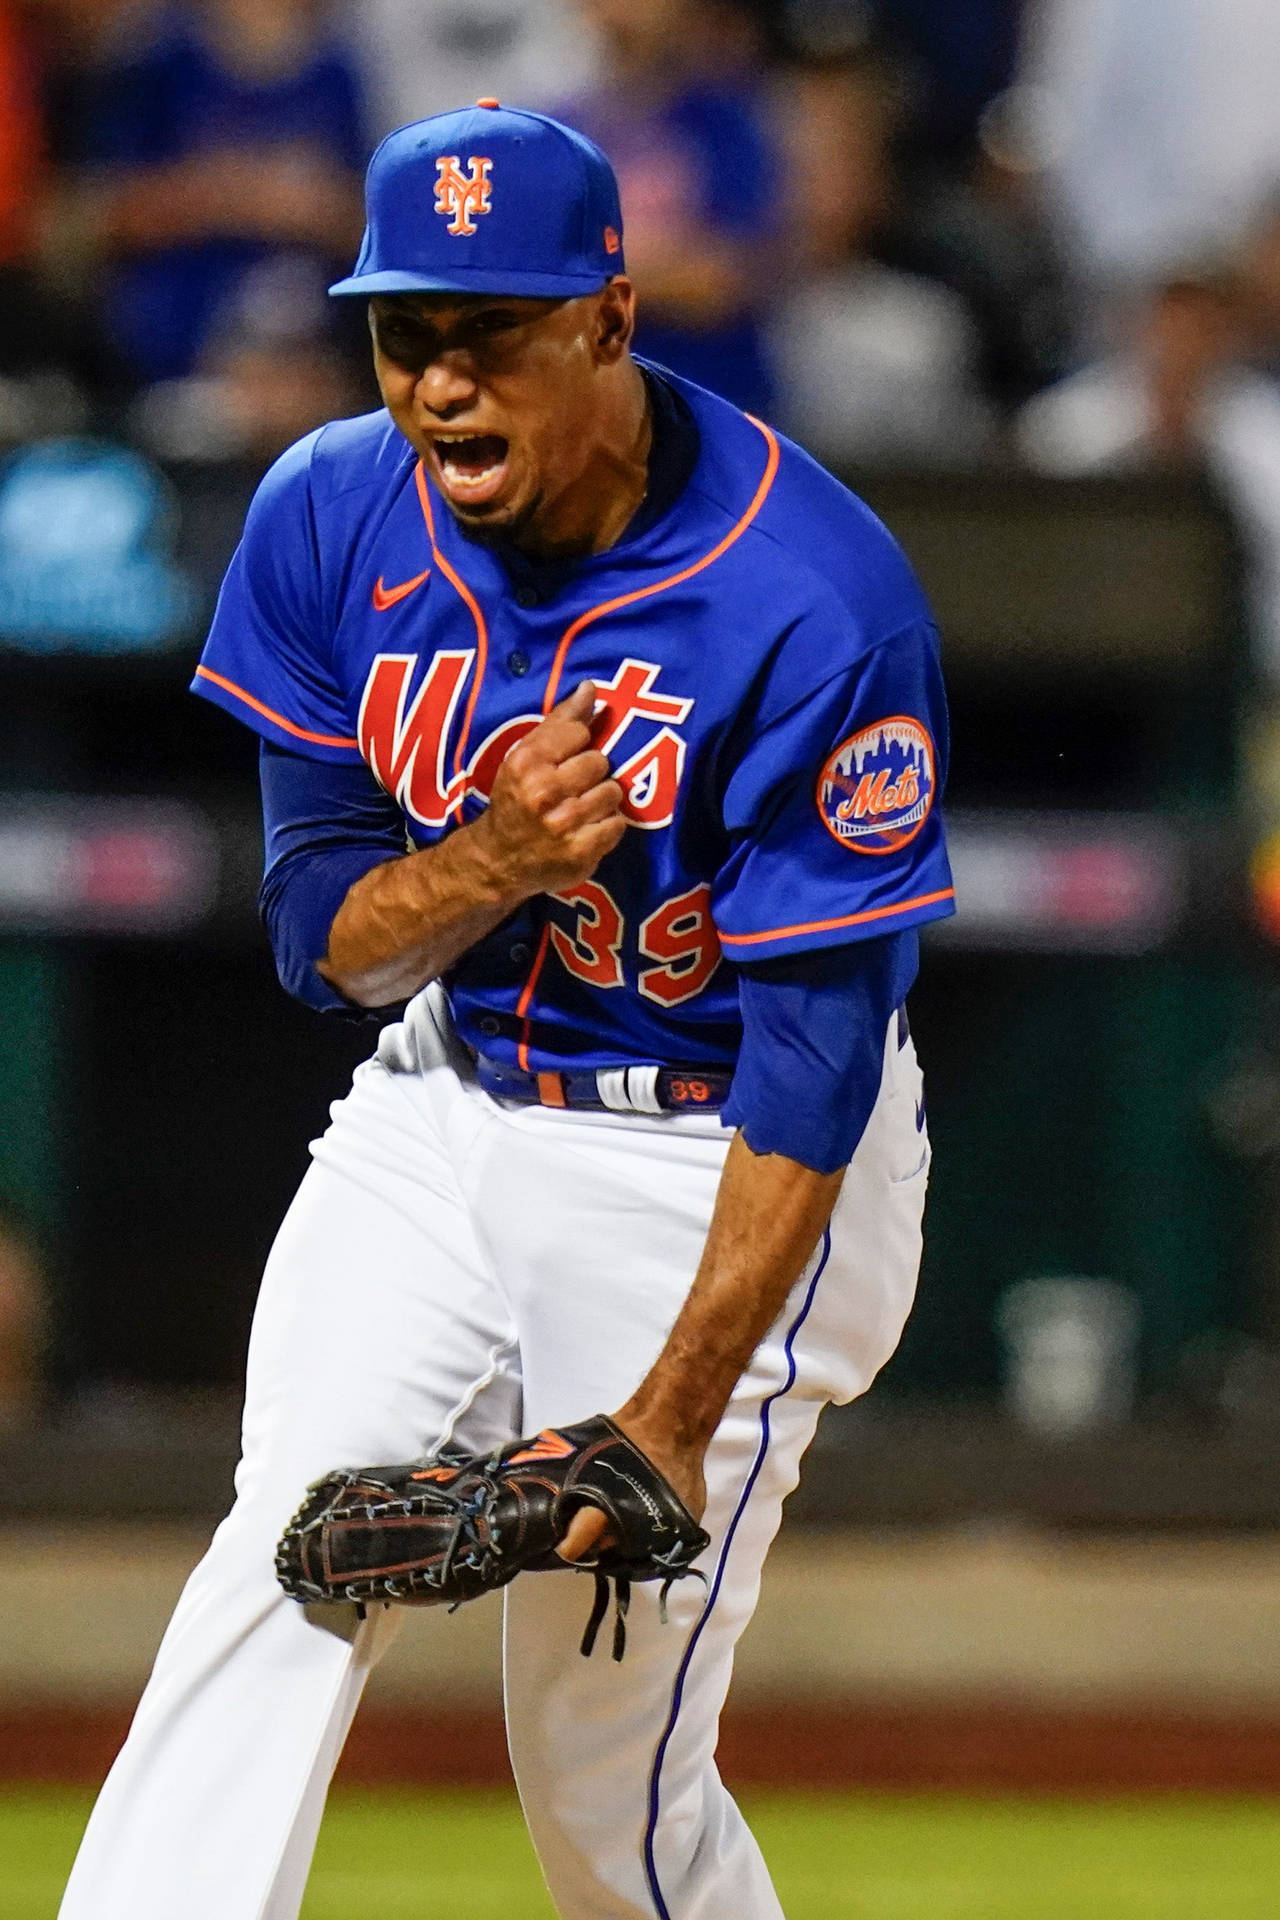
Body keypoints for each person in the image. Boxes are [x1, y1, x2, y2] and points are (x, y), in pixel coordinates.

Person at [59, 101, 954, 1919]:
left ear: (612, 322)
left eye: (492, 334)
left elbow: (817, 1054)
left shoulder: (814, 598)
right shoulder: (327, 514)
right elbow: (328, 945)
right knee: (291, 1554)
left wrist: (671, 1412)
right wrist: (494, 857)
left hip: (721, 1156)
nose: (442, 385)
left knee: (597, 1782)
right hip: (448, 1097)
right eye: (408, 336)